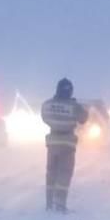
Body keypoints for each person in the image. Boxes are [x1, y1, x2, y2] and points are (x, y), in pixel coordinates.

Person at [40, 77, 89, 212]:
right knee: (64, 174)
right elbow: (84, 119)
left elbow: (44, 118)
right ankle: (60, 204)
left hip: (52, 143)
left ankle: (49, 203)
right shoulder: (74, 106)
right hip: (67, 144)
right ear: (70, 91)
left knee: (51, 173)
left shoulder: (47, 104)